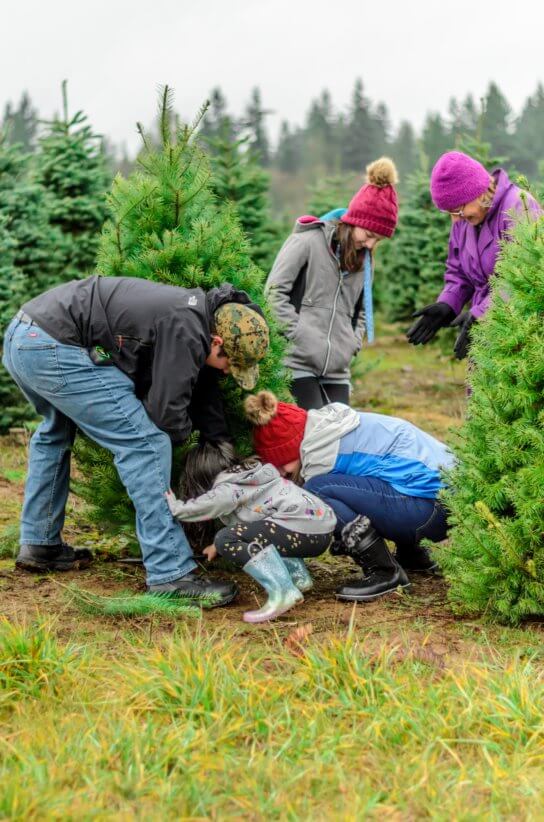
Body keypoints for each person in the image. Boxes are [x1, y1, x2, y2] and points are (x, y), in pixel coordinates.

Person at [2, 274, 269, 606]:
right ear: (216, 342)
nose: (228, 371)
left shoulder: (191, 313)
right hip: (52, 346)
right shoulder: (187, 329)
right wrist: (186, 446)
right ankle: (170, 573)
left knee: (55, 432)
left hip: (25, 336)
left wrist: (217, 439)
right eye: (230, 362)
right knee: (146, 444)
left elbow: (192, 384)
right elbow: (165, 414)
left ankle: (40, 544)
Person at [245, 391, 454, 602]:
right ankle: (412, 555)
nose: (281, 473)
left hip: (430, 511)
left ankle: (385, 572)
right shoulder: (332, 427)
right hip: (446, 504)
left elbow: (313, 515)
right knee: (377, 481)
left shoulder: (320, 455)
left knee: (316, 490)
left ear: (291, 449)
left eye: (280, 464)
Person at [265, 158, 399, 410]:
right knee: (314, 434)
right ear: (354, 221)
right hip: (297, 363)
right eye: (369, 235)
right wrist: (297, 335)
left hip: (337, 369)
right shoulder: (307, 242)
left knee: (341, 435)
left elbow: (360, 313)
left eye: (378, 240)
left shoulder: (365, 261)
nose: (371, 245)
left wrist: (351, 344)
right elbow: (273, 293)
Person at [166, 442, 336, 622]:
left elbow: (202, 507)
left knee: (226, 538)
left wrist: (175, 507)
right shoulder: (251, 477)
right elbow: (255, 527)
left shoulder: (227, 488)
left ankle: (283, 591)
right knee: (267, 529)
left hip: (301, 529)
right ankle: (297, 577)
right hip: (321, 530)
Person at [407, 151, 542, 359]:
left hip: (523, 330)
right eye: (449, 212)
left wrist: (482, 314)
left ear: (478, 192)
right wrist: (448, 303)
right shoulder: (464, 220)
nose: (455, 219)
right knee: (483, 391)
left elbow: (525, 274)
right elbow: (458, 271)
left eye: (458, 209)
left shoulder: (518, 206)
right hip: (483, 333)